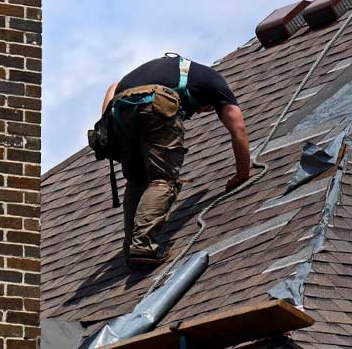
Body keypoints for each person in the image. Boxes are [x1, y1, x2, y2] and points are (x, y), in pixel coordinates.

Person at [100, 53, 250, 266]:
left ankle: (130, 249)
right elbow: (238, 128)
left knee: (137, 182)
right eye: (203, 109)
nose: (197, 113)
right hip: (152, 101)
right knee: (163, 180)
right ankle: (142, 245)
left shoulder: (169, 71)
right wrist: (242, 173)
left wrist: (108, 124)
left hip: (120, 110)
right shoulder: (216, 83)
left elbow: (114, 87)